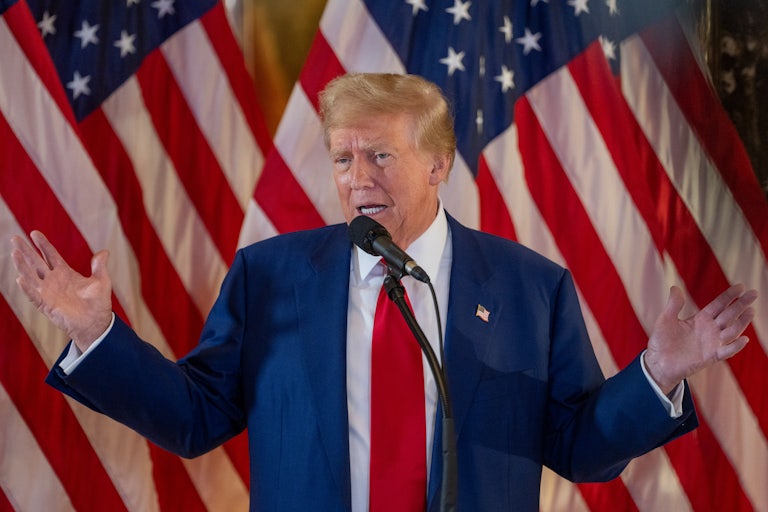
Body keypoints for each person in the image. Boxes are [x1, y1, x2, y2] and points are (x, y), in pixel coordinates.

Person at [11, 73, 758, 512]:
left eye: (379, 155)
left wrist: (657, 374)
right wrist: (96, 336)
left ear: (438, 164)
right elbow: (194, 418)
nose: (357, 178)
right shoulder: (270, 277)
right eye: (342, 159)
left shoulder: (530, 287)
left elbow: (582, 450)